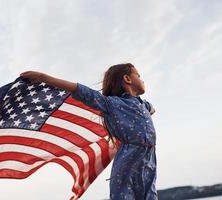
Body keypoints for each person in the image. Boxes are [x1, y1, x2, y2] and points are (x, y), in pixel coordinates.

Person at [20, 63, 158, 200]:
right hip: (129, 159)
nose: (142, 79)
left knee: (150, 196)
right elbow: (81, 91)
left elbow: (151, 109)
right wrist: (43, 77)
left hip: (149, 159)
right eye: (138, 76)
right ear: (127, 79)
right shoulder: (111, 104)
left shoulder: (143, 104)